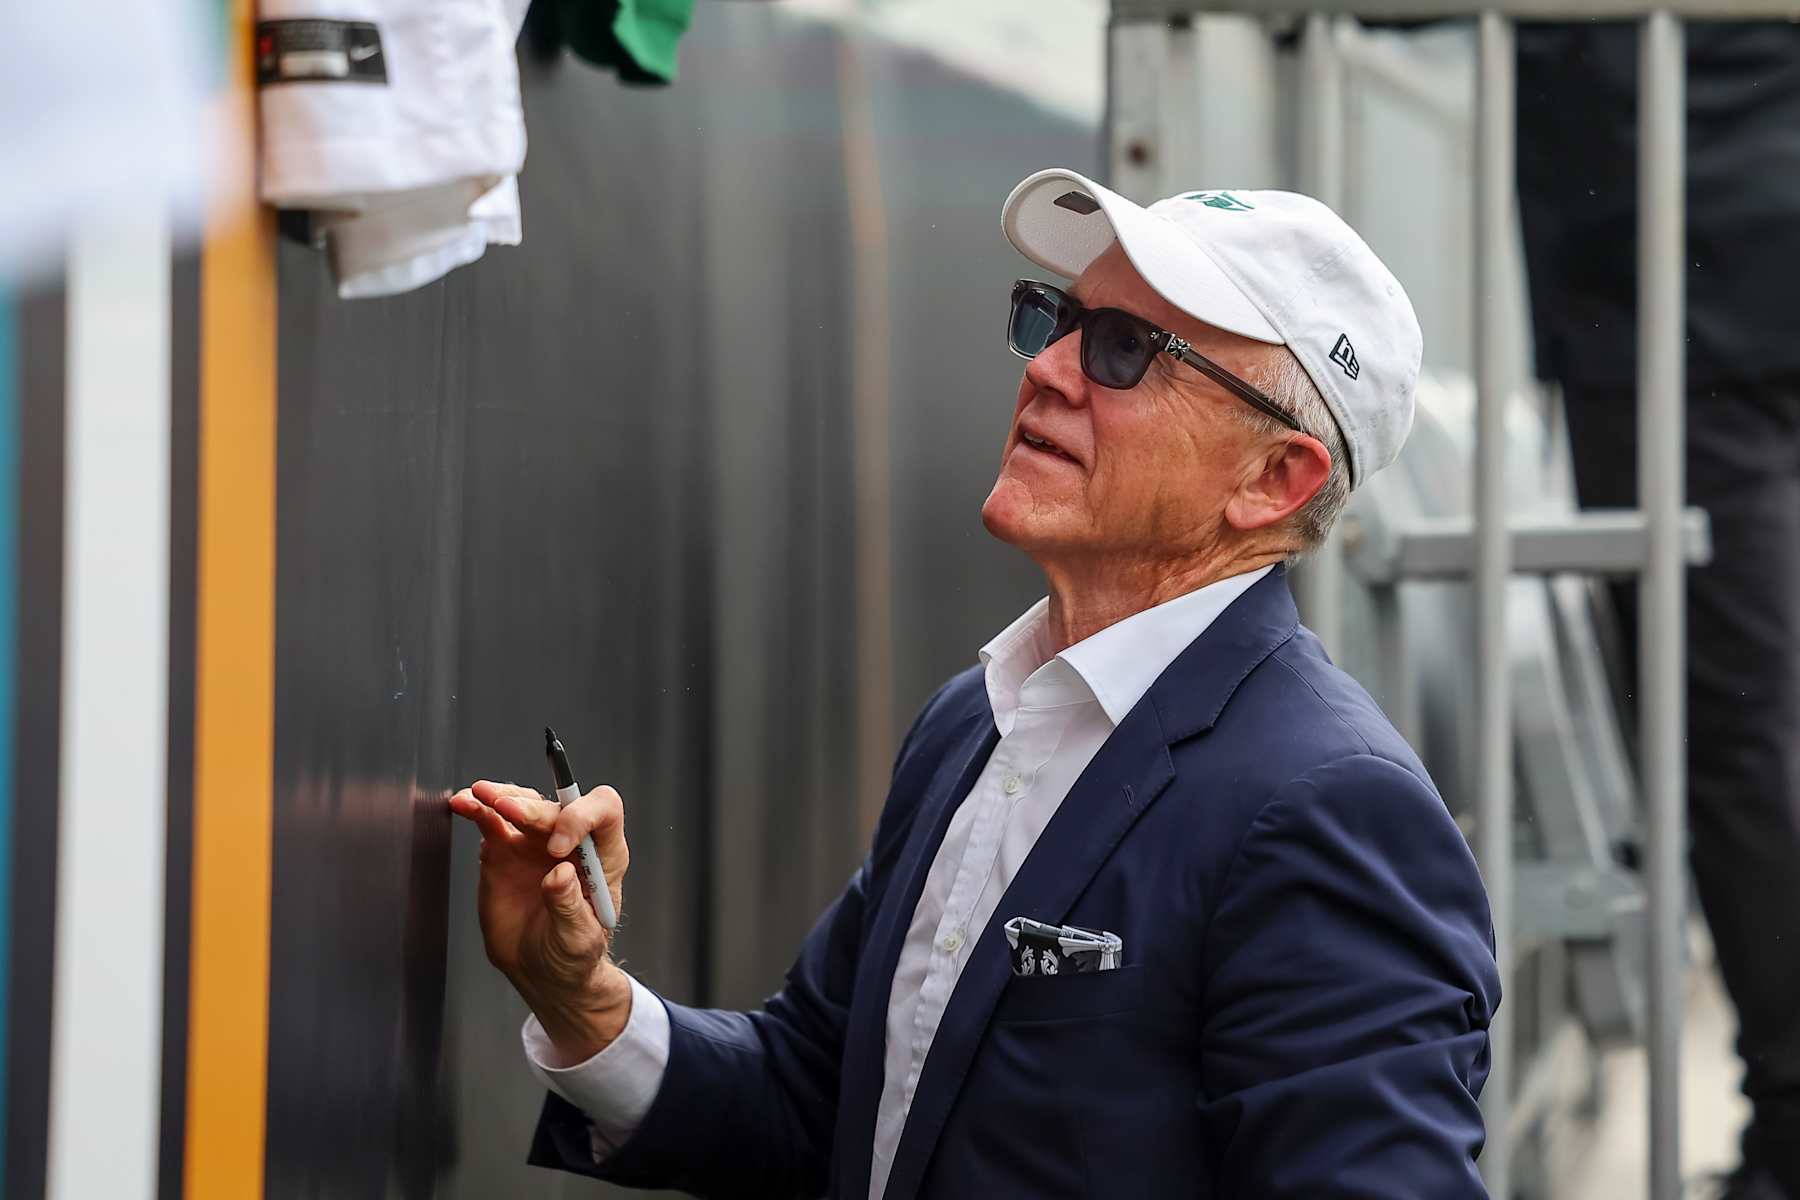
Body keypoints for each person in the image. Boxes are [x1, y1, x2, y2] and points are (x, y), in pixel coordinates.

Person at [449, 168, 1501, 1198]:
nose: (1049, 370)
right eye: (1062, 319)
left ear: (1275, 481)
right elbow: (827, 1101)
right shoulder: (977, 720)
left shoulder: (1326, 804)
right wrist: (583, 998)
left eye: (1128, 350)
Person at [1517, 24, 1800, 1200]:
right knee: (1740, 732)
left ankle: (1793, 1128)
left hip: (1676, 284)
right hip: (1689, 268)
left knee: (1730, 730)